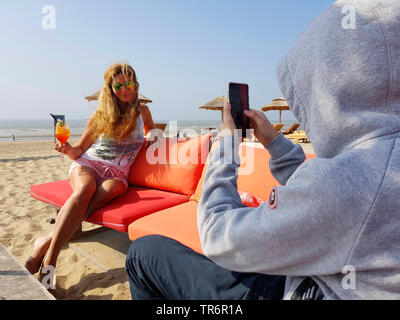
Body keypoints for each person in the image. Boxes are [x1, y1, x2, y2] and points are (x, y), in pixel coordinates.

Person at [125, 0, 400, 300]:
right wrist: (272, 141)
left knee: (143, 255)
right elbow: (331, 190)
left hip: (300, 288)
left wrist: (227, 142)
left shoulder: (354, 184)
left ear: (329, 83)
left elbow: (217, 235)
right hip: (325, 272)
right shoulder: (377, 163)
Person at [25, 62, 156, 286]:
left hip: (117, 174)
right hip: (88, 164)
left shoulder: (142, 112)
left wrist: (154, 135)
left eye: (130, 83)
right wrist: (67, 149)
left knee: (115, 187)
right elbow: (79, 150)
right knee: (86, 188)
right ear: (110, 88)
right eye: (119, 85)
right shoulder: (100, 115)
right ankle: (50, 261)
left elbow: (152, 132)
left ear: (136, 85)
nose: (126, 89)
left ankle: (45, 241)